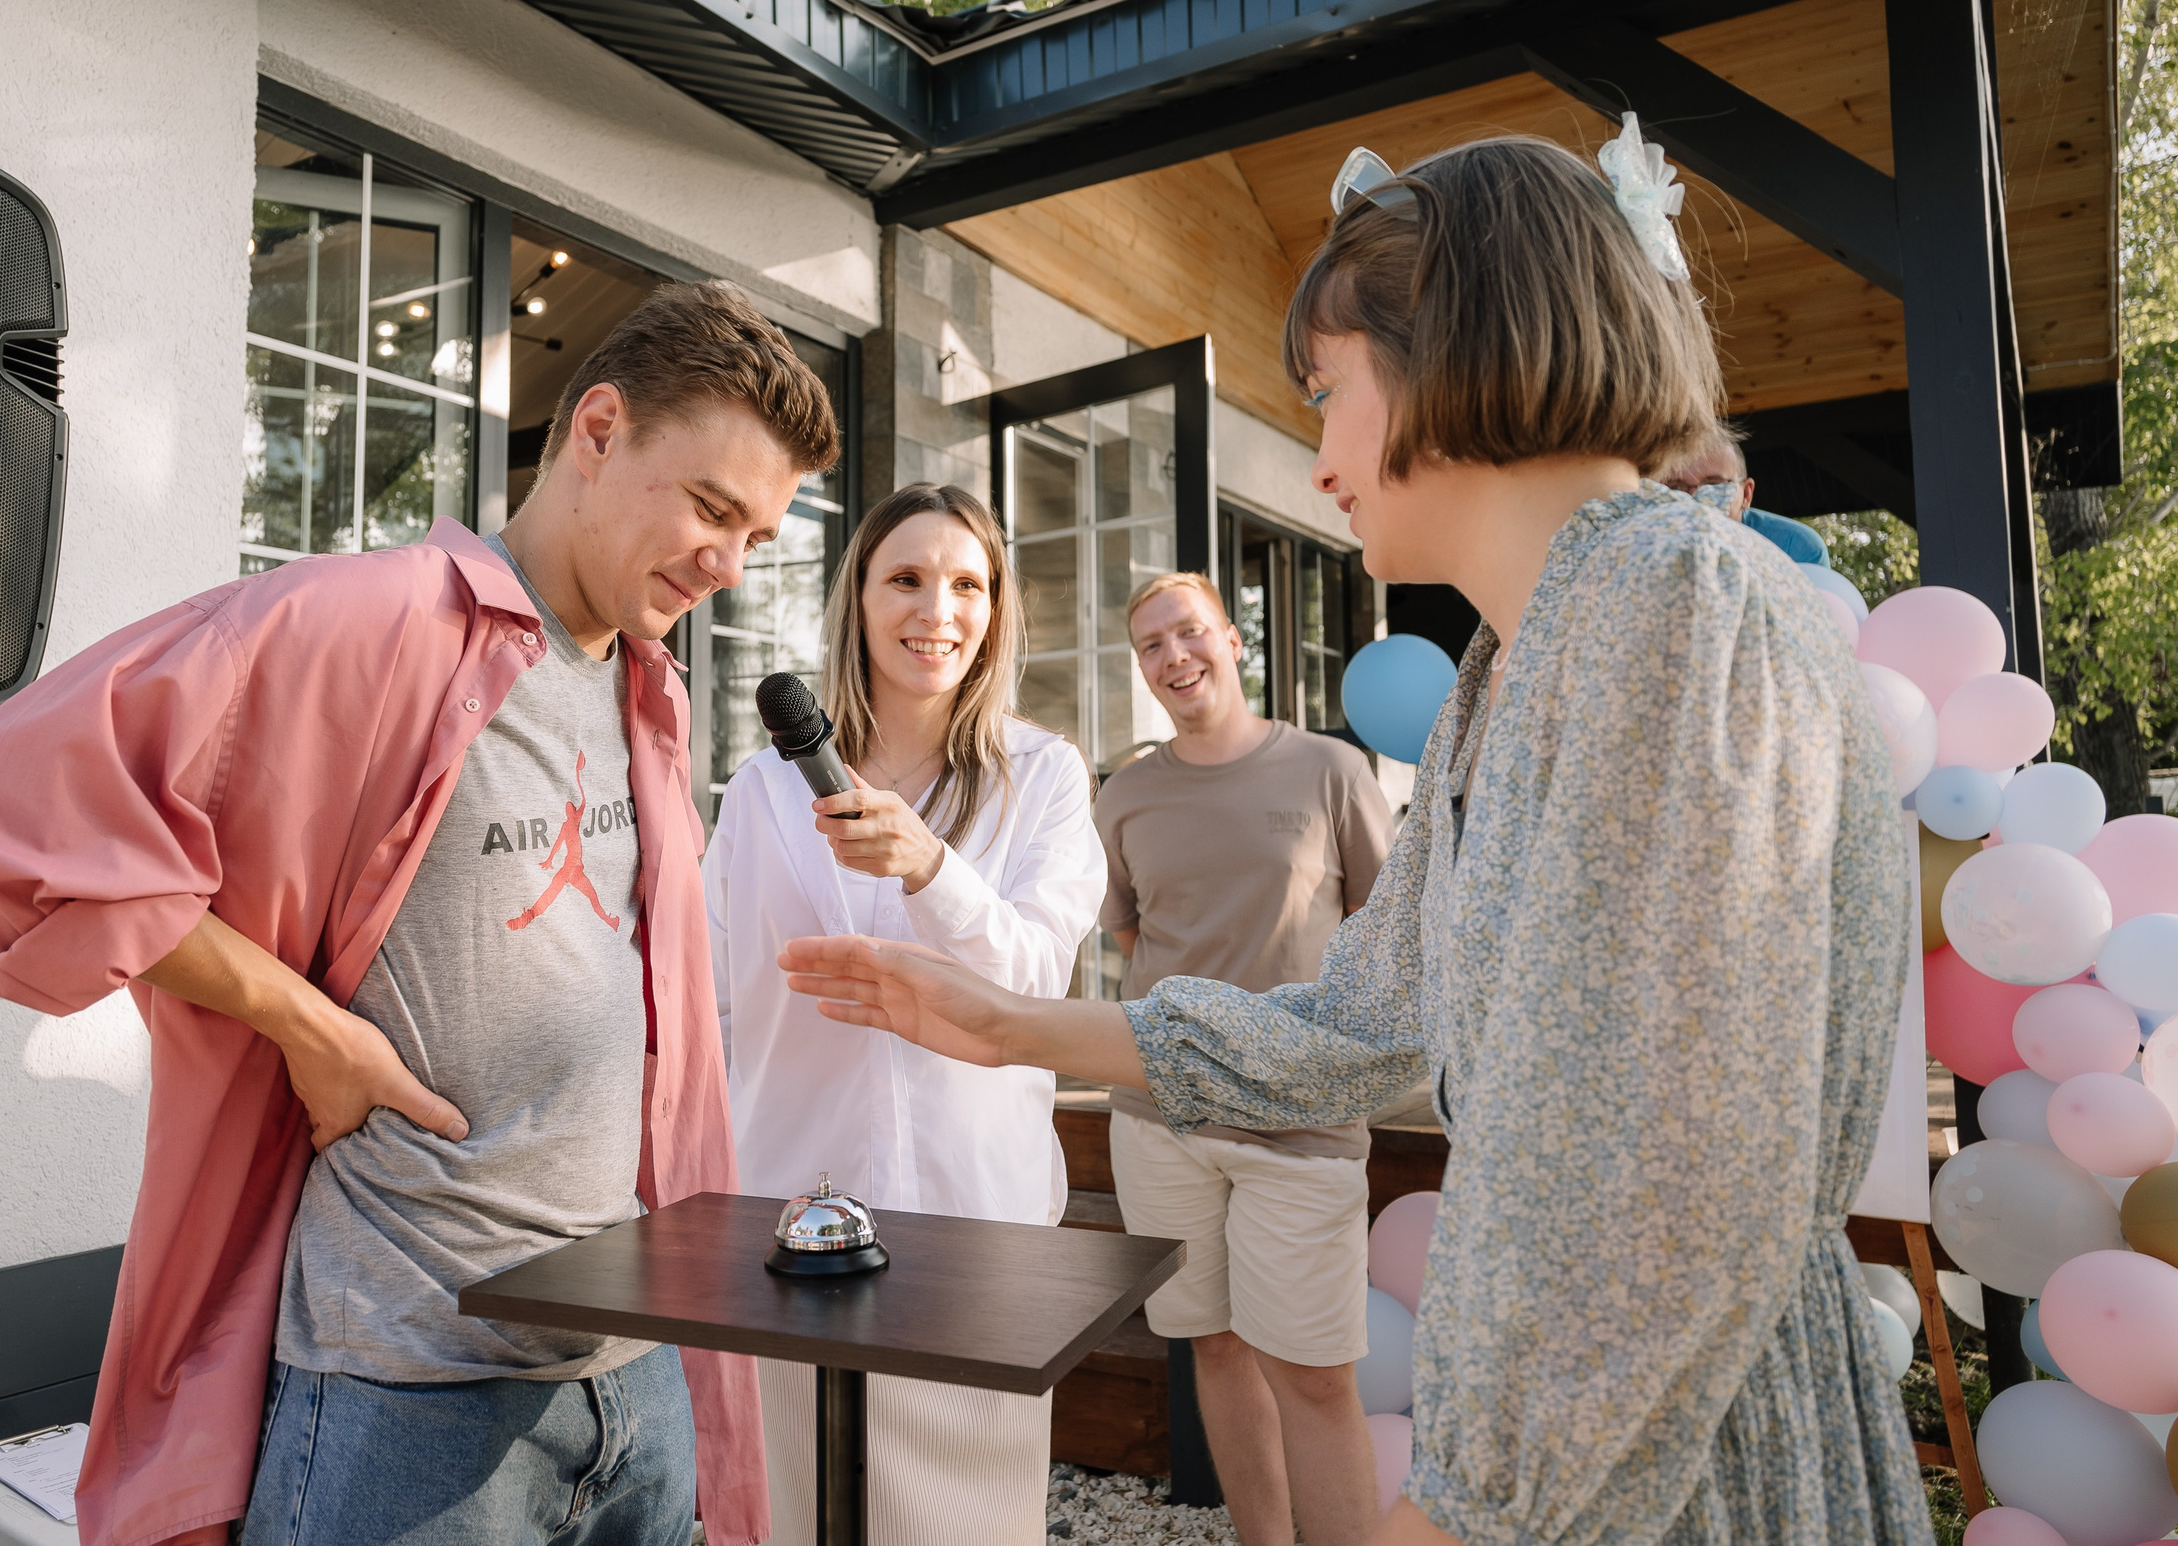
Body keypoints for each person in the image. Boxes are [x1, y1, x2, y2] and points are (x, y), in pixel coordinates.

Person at [779, 136, 1932, 1546]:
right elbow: (1356, 1019)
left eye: (1327, 395)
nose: (1318, 457)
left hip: (1663, 1459)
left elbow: (1679, 1185)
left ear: (1451, 353)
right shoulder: (1512, 671)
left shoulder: (1670, 605)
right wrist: (1011, 1024)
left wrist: (1462, 1520)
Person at [0, 282, 841, 1546]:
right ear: (598, 429)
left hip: (631, 1372)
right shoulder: (366, 617)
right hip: (409, 1385)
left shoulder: (650, 687)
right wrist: (304, 1024)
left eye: (755, 539)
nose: (726, 564)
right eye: (713, 508)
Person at [704, 481, 1105, 1546]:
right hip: (793, 1210)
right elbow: (714, 996)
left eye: (968, 582)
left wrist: (933, 867)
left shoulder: (1045, 777)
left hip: (977, 1218)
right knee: (803, 1511)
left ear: (997, 606)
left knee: (965, 1520)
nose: (940, 607)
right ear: (860, 598)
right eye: (908, 578)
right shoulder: (761, 790)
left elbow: (1033, 977)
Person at [1097, 569, 1391, 1546]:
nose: (1173, 655)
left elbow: (1384, 935)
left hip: (1299, 1117)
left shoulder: (1329, 770)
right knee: (1212, 1346)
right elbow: (1132, 938)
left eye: (1188, 632)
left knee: (1313, 1371)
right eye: (1151, 644)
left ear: (1230, 636)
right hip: (1161, 1117)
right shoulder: (1125, 796)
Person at [1652, 416, 1833, 566]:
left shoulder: (1795, 546)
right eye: (1676, 487)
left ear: (1746, 494)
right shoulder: (1646, 541)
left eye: (1714, 484)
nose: (1695, 498)